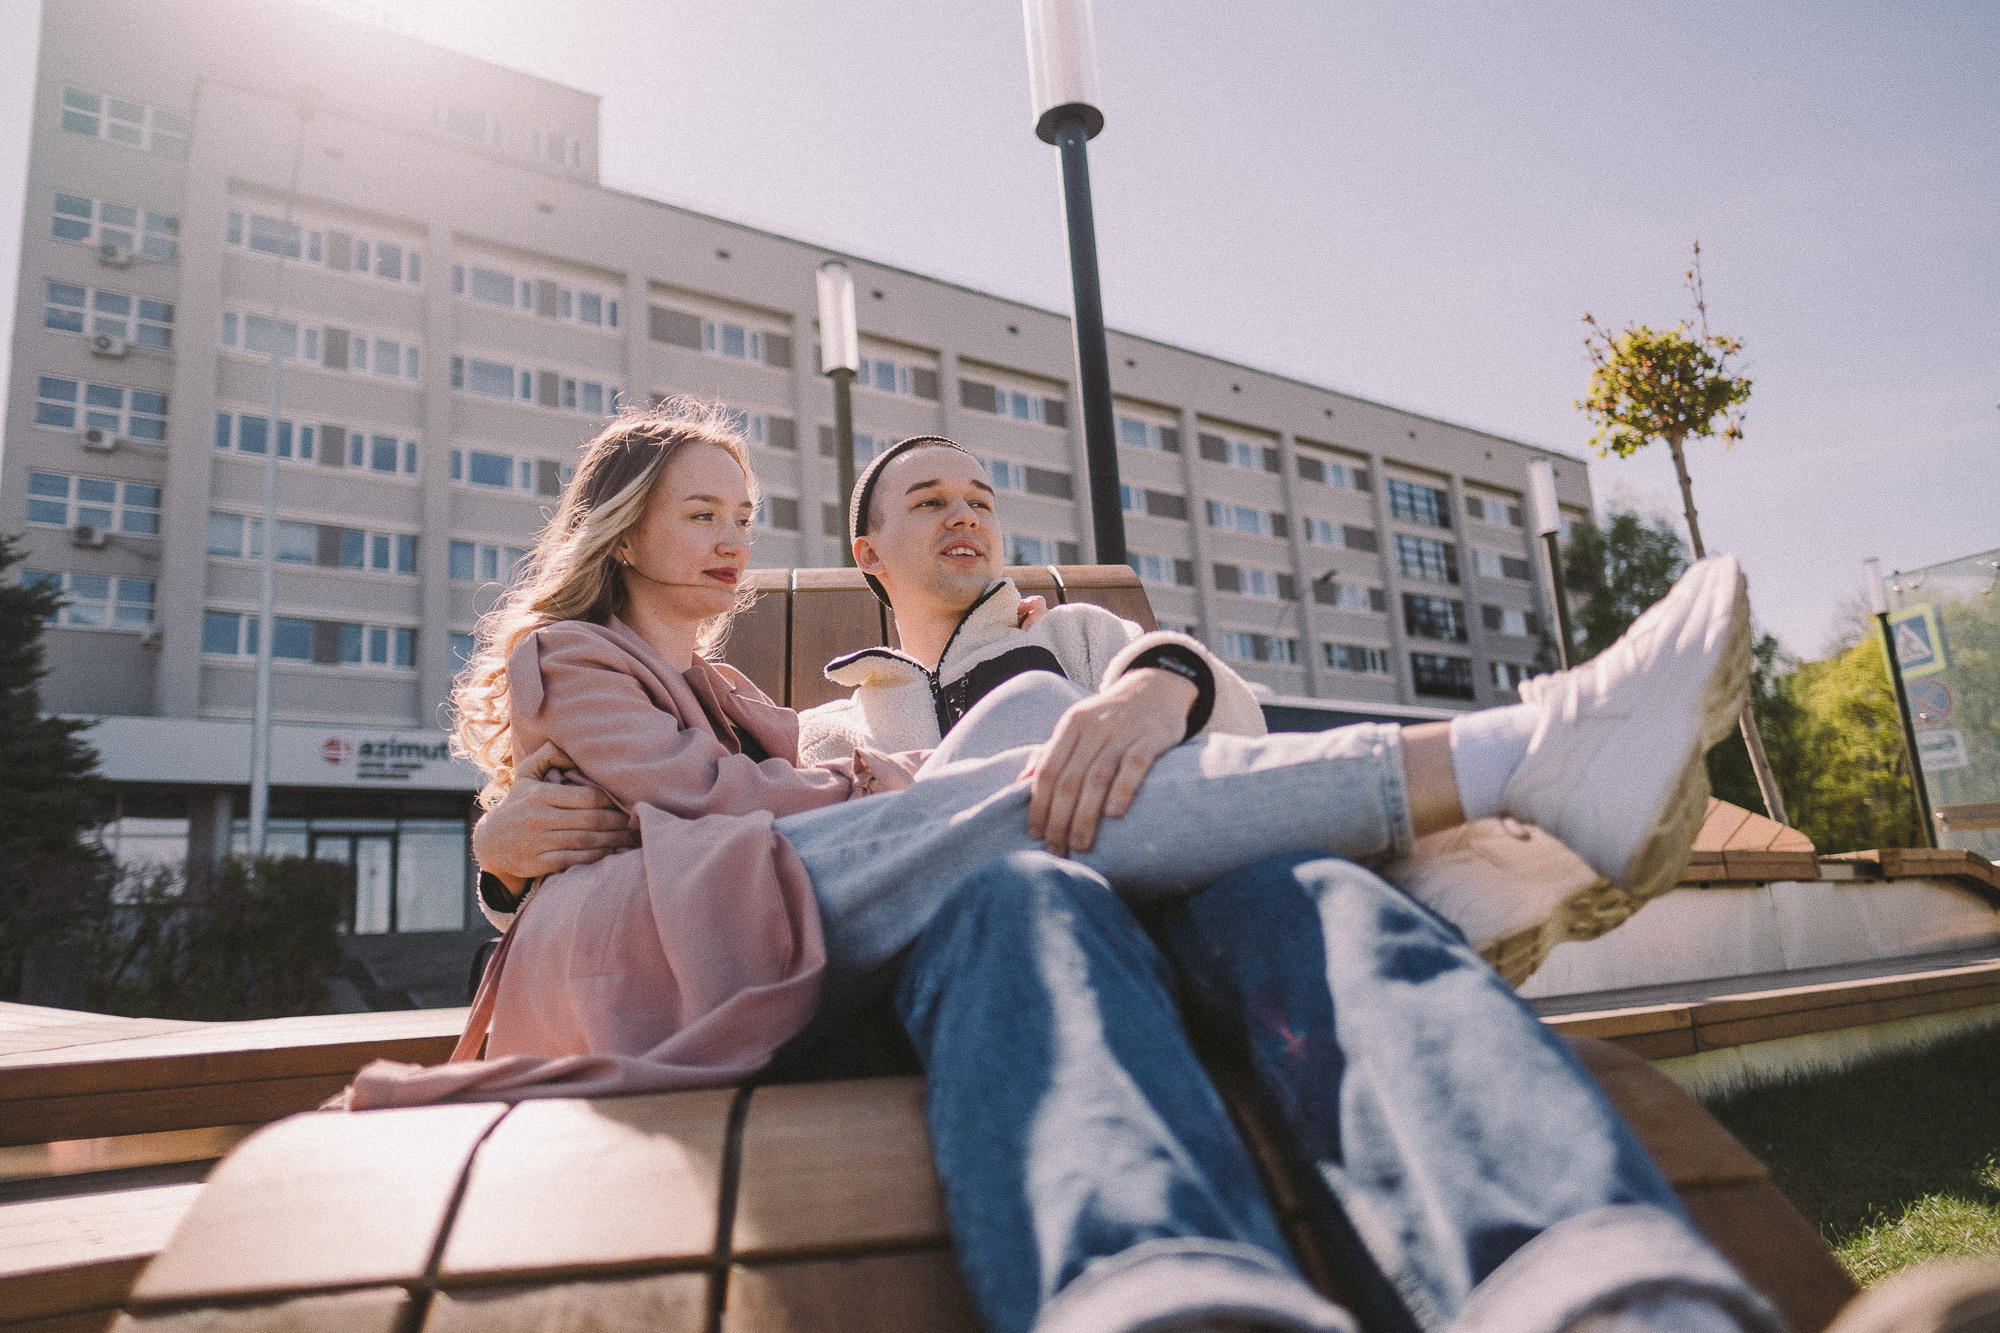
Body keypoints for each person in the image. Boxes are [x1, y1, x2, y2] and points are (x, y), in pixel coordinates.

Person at [381, 403, 1771, 1333]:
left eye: (982, 493)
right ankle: (1496, 786)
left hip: (1222, 902)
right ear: (868, 554)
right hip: (995, 931)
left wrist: (1152, 686)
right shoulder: (822, 712)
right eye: (927, 498)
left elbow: (1227, 716)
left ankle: (1620, 1296)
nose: (965, 515)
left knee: (1238, 843)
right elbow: (724, 815)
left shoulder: (1091, 645)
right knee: (1024, 840)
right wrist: (505, 865)